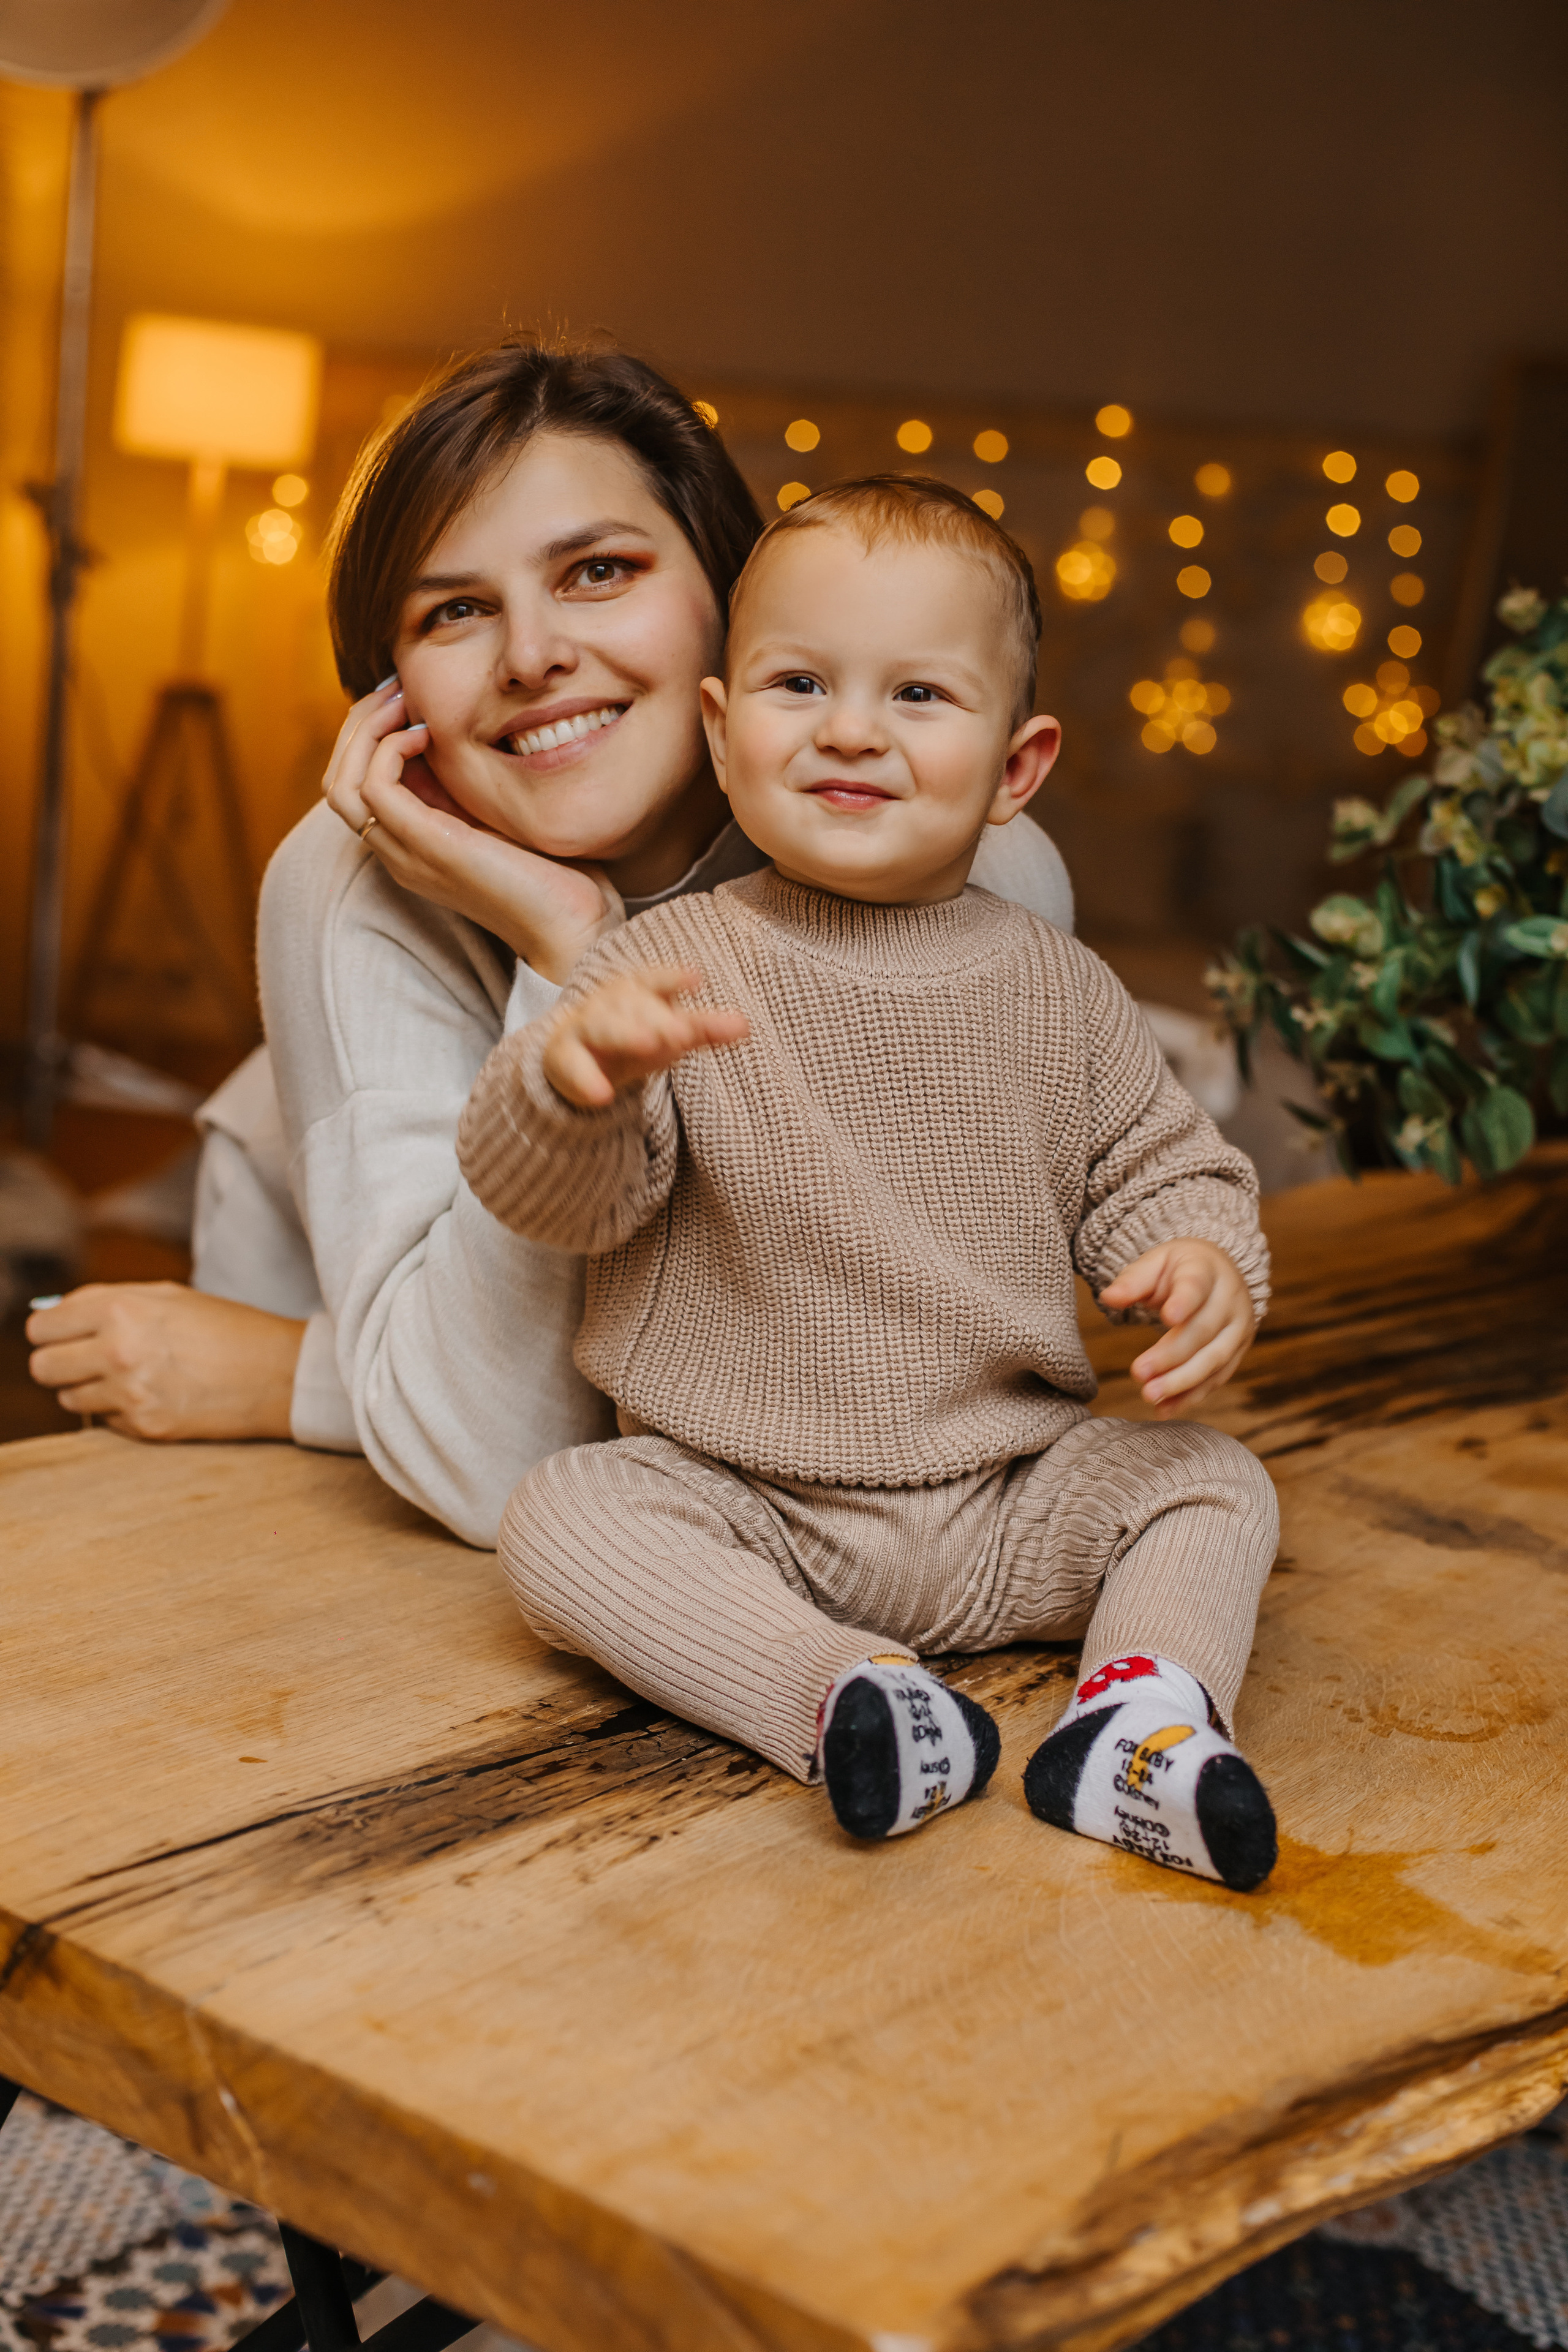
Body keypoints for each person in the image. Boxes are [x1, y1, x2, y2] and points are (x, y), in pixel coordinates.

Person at [26, 344, 1074, 1543]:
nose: (529, 656)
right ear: (395, 691)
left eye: (598, 570)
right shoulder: (344, 877)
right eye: (455, 609)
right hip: (336, 1265)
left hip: (510, 1413)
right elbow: (481, 1469)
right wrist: (570, 945)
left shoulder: (959, 861)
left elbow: (902, 1375)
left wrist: (300, 1381)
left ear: (732, 602)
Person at [457, 475, 1280, 1888]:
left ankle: (1136, 1725)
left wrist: (1200, 1257)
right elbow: (564, 1203)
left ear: (1014, 770)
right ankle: (846, 1698)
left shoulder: (1059, 992)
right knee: (562, 1521)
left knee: (1213, 1487)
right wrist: (573, 1081)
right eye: (796, 683)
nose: (848, 729)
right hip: (743, 1502)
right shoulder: (661, 974)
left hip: (1006, 1493)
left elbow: (1161, 1167)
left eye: (916, 696)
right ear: (722, 733)